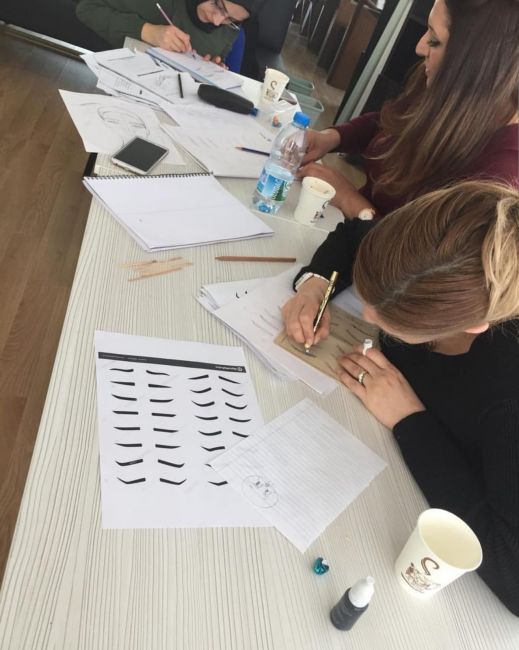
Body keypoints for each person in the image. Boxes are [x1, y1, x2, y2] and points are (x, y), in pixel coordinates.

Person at [283, 181, 519, 615]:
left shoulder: (507, 396)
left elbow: (513, 573)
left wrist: (410, 420)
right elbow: (357, 234)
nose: (367, 314)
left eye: (388, 319)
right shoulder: (428, 247)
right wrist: (315, 286)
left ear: (470, 325)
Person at [297, 0, 519, 220]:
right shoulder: (442, 86)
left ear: (476, 62)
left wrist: (351, 201)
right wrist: (330, 138)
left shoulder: (502, 176)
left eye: (434, 40)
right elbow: (390, 122)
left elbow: (417, 244)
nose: (419, 47)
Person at [76, 0, 253, 62]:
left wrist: (210, 72)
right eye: (218, 5)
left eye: (231, 19)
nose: (217, 21)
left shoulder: (232, 32)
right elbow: (87, 8)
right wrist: (147, 31)